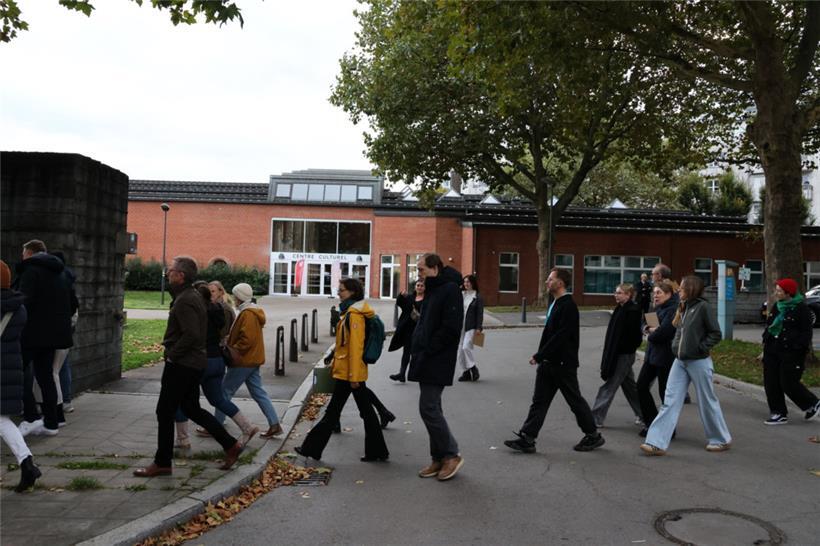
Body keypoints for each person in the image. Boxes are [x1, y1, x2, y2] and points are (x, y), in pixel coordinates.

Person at [134, 257, 243, 477]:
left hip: (183, 364)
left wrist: (173, 356)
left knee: (165, 411)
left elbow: (192, 334)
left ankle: (162, 462)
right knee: (191, 408)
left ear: (180, 275)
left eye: (171, 270)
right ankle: (230, 444)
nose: (168, 273)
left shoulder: (185, 299)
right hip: (193, 363)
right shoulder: (191, 296)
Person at [505, 268, 604, 454]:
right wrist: (542, 356)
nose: (546, 282)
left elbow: (561, 336)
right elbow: (550, 334)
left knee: (575, 401)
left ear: (561, 283)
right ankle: (527, 438)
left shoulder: (568, 306)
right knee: (539, 401)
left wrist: (539, 355)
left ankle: (593, 435)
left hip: (562, 364)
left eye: (550, 279)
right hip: (548, 363)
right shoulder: (555, 303)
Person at [295, 278, 389, 462]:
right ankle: (377, 451)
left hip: (350, 374)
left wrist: (353, 376)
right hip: (347, 372)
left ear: (352, 292)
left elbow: (355, 347)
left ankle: (312, 448)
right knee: (351, 412)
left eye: (342, 290)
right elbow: (344, 345)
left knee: (340, 413)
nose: (338, 292)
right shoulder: (349, 312)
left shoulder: (354, 315)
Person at [641, 275, 731, 456]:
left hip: (699, 361)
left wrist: (700, 348)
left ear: (691, 289)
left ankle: (721, 439)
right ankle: (656, 442)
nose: (679, 290)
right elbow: (678, 331)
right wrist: (676, 347)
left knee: (706, 401)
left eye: (682, 287)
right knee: (669, 401)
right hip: (680, 361)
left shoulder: (703, 307)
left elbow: (715, 333)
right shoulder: (683, 306)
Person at [175, 282, 259, 449]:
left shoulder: (197, 312)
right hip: (217, 360)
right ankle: (247, 427)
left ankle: (183, 439)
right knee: (218, 399)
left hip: (200, 361)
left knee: (180, 399)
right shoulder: (219, 309)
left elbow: (190, 335)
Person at [410, 253, 465, 481]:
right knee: (433, 408)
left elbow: (451, 327)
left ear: (435, 268)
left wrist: (429, 348)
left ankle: (451, 454)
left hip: (437, 358)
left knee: (428, 408)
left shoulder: (449, 290)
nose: (418, 273)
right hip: (427, 356)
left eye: (421, 269)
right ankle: (439, 457)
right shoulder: (433, 289)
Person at [14, 239, 73, 437]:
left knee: (18, 373)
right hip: (53, 334)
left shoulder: (31, 271)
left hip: (31, 333)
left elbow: (23, 302)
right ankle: (51, 422)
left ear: (30, 253)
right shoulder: (60, 272)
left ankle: (31, 417)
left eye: (23, 253)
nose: (22, 257)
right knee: (46, 376)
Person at [213, 283, 282, 439]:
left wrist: (233, 348)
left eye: (235, 295)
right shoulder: (251, 311)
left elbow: (247, 339)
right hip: (252, 359)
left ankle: (216, 425)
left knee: (224, 392)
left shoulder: (247, 314)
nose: (233, 298)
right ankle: (274, 424)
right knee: (258, 392)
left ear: (240, 297)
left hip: (243, 360)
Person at [0, 260, 42, 492]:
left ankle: (27, 464)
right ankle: (27, 464)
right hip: (10, 367)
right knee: (2, 420)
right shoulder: (18, 308)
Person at [761, 278, 820, 425]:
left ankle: (812, 403)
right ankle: (778, 413)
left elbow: (806, 333)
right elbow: (770, 326)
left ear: (788, 293)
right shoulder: (777, 306)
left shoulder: (801, 309)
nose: (776, 293)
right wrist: (765, 347)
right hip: (772, 350)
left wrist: (798, 347)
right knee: (771, 383)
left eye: (779, 291)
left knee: (788, 383)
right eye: (776, 290)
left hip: (791, 352)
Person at [590, 283, 643, 427]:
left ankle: (596, 418)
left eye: (619, 293)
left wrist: (622, 349)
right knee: (630, 388)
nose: (616, 295)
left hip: (623, 355)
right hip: (619, 354)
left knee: (610, 385)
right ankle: (645, 414)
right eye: (615, 292)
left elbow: (634, 336)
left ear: (628, 295)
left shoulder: (632, 311)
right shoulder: (620, 308)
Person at [636, 281, 677, 436]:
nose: (655, 295)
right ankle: (652, 422)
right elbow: (644, 324)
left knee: (664, 393)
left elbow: (664, 332)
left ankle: (668, 428)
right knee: (641, 386)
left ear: (669, 294)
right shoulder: (656, 307)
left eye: (659, 292)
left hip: (666, 357)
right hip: (652, 355)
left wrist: (651, 333)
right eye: (654, 293)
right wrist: (648, 329)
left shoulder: (672, 310)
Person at [389, 278, 425, 383]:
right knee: (406, 352)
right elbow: (400, 304)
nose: (419, 287)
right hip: (408, 329)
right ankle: (402, 374)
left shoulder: (427, 299)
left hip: (419, 329)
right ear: (415, 287)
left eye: (422, 286)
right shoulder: (410, 297)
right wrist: (401, 296)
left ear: (425, 288)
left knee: (416, 352)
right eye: (418, 285)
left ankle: (418, 373)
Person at [457, 274, 484, 382]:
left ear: (473, 283)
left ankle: (473, 368)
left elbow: (480, 314)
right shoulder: (461, 295)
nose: (466, 284)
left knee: (466, 348)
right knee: (460, 351)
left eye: (468, 282)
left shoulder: (477, 297)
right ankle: (466, 372)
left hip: (471, 326)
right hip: (460, 326)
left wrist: (479, 328)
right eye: (465, 282)